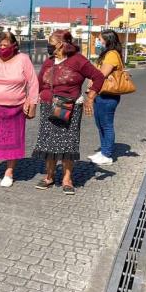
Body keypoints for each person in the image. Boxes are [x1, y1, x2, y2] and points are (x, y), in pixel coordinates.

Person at [33, 30, 105, 195]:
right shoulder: (49, 62)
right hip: (48, 106)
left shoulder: (78, 60)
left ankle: (67, 179)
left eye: (52, 43)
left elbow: (98, 77)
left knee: (68, 143)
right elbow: (39, 83)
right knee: (48, 142)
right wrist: (32, 101)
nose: (49, 47)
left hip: (68, 107)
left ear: (63, 44)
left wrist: (91, 96)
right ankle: (49, 176)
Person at [0, 32, 39, 187]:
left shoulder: (23, 59)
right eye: (0, 45)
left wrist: (32, 103)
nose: (3, 48)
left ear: (14, 45)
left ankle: (9, 172)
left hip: (15, 109)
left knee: (13, 140)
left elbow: (33, 83)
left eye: (6, 45)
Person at [89, 29, 124, 165]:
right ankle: (103, 151)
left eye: (100, 39)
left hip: (108, 95)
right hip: (101, 94)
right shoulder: (107, 54)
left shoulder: (112, 55)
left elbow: (101, 74)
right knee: (100, 124)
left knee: (106, 125)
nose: (98, 41)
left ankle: (107, 154)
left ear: (107, 40)